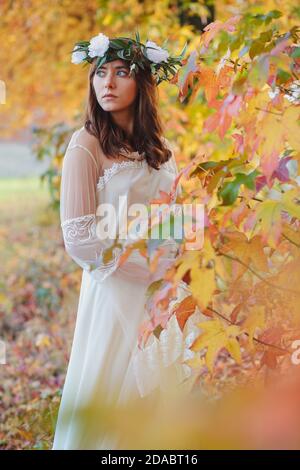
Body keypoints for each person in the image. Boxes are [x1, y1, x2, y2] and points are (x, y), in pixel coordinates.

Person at [52, 32, 203, 450]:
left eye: (121, 73)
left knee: (159, 403)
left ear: (143, 84)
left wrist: (178, 270)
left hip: (163, 292)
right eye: (100, 73)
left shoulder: (162, 150)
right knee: (109, 394)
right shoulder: (86, 146)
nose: (108, 83)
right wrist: (145, 270)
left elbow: (182, 221)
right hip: (115, 290)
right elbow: (80, 238)